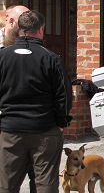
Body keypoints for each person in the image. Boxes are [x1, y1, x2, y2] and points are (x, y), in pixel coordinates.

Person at [0, 10, 72, 193]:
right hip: (44, 129)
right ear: (40, 30)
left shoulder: (3, 56)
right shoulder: (51, 59)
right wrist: (61, 122)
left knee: (7, 184)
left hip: (10, 130)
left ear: (19, 30)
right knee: (45, 183)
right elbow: (64, 94)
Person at [1, 5, 37, 193]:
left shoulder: (39, 52)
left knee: (37, 179)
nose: (5, 23)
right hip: (8, 126)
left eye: (7, 19)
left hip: (33, 126)